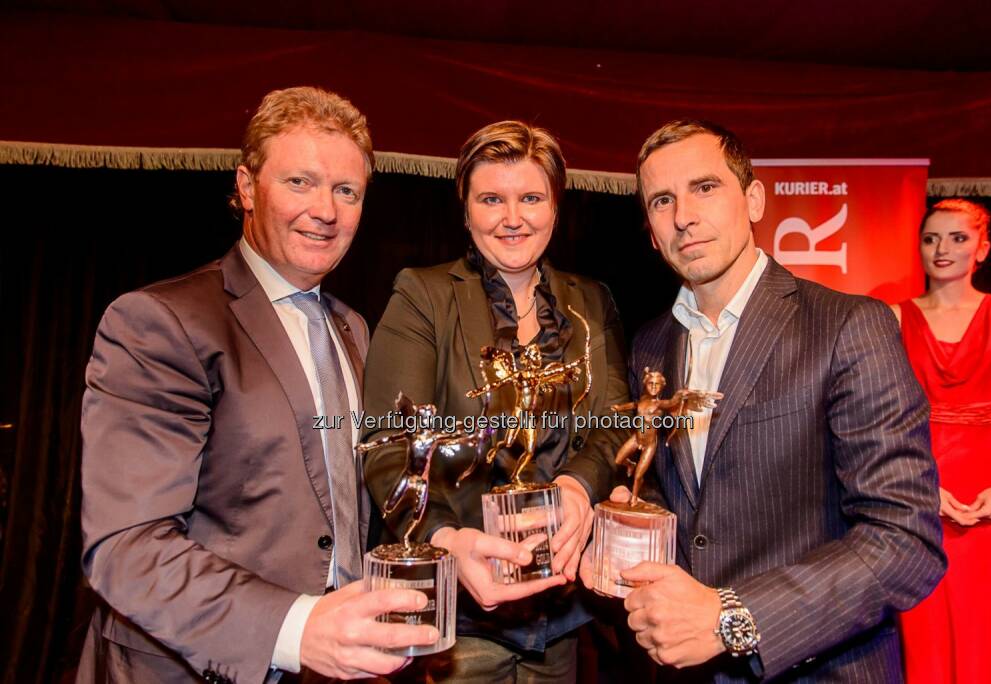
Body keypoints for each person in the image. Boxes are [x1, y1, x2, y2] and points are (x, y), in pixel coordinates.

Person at [559, 119, 946, 681]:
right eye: (662, 200)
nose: (683, 216)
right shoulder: (649, 345)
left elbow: (905, 540)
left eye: (705, 187)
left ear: (755, 198)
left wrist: (732, 618)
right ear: (649, 231)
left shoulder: (846, 326)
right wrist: (622, 544)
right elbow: (694, 515)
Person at [76, 86, 438, 684]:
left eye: (346, 191)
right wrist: (297, 631)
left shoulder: (352, 328)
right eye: (300, 182)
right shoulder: (161, 321)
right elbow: (126, 548)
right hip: (188, 668)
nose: (325, 209)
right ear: (247, 187)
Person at [360, 120, 629, 681]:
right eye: (491, 199)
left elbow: (611, 426)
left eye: (531, 197)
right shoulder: (423, 295)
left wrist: (578, 486)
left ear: (556, 208)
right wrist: (446, 540)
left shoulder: (592, 301)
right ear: (465, 211)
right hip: (462, 620)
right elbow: (389, 447)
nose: (512, 218)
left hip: (564, 614)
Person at [891, 199, 991, 682]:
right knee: (927, 628)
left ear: (983, 249)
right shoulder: (893, 317)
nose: (941, 249)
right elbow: (886, 422)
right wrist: (922, 489)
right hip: (924, 494)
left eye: (957, 238)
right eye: (931, 238)